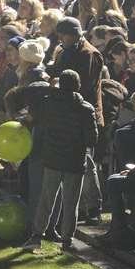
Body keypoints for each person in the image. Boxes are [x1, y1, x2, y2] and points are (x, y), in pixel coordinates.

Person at [25, 70, 97, 250]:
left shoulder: (48, 104)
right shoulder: (86, 109)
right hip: (74, 161)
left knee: (46, 198)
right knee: (71, 202)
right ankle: (67, 240)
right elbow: (92, 140)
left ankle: (36, 235)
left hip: (52, 158)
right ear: (78, 86)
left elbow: (34, 112)